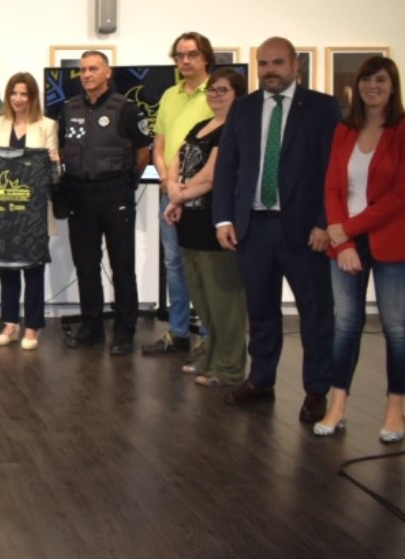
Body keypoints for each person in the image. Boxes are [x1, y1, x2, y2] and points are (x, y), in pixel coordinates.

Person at [214, 37, 340, 422]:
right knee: (262, 310)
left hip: (304, 231)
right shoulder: (245, 108)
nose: (270, 70)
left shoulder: (322, 107)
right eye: (263, 63)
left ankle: (317, 390)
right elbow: (228, 167)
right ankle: (262, 380)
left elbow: (333, 171)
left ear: (295, 65)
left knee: (315, 313)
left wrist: (324, 222)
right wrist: (223, 218)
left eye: (278, 63)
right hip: (254, 228)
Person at [316, 56, 405, 441]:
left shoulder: (402, 129)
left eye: (381, 80)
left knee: (397, 329)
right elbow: (334, 187)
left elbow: (400, 194)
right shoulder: (344, 130)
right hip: (346, 243)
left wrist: (344, 230)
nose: (373, 87)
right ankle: (337, 405)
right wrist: (345, 241)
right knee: (346, 326)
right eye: (367, 80)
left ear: (393, 85)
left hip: (391, 242)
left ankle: (395, 411)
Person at [57, 50, 152, 355]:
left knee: (122, 265)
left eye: (94, 69)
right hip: (79, 195)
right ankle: (92, 327)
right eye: (83, 70)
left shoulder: (126, 109)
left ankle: (124, 331)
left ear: (107, 72)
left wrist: (127, 182)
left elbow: (142, 153)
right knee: (85, 265)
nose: (87, 74)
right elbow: (62, 147)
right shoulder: (68, 109)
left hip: (115, 194)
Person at [163, 68, 248, 387]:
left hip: (218, 224)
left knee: (224, 300)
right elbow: (178, 160)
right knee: (203, 298)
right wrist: (174, 191)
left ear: (237, 94)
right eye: (212, 90)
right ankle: (210, 356)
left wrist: (179, 193)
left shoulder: (236, 128)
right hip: (190, 222)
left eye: (222, 90)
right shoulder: (201, 125)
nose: (214, 95)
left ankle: (229, 368)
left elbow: (213, 175)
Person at [145, 32, 215, 358]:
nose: (185, 61)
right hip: (169, 191)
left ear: (205, 58)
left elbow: (216, 150)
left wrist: (183, 187)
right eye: (179, 55)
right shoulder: (169, 95)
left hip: (203, 196)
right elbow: (159, 144)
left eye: (191, 55)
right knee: (174, 264)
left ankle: (212, 339)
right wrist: (166, 179)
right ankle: (178, 333)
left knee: (205, 266)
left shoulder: (216, 94)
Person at [0, 73, 59, 350]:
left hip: (35, 212)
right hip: (2, 210)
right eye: (13, 93)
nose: (18, 99)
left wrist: (54, 163)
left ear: (33, 97)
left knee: (33, 269)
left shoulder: (48, 126)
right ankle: (10, 323)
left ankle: (33, 327)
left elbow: (53, 173)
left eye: (24, 94)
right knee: (7, 269)